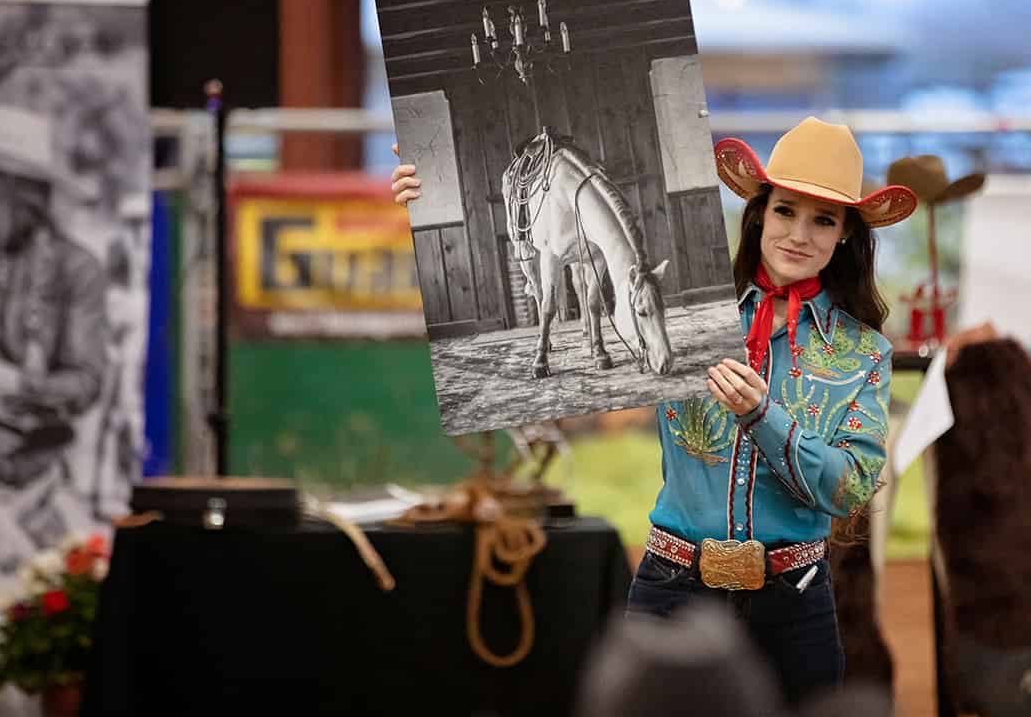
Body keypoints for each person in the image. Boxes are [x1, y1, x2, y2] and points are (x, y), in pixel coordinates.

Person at [392, 116, 917, 705]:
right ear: (759, 215)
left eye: (824, 219)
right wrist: (423, 204)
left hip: (796, 602)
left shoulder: (861, 353)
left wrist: (763, 415)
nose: (800, 234)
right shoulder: (686, 316)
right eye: (785, 211)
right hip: (672, 589)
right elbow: (544, 402)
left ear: (845, 233)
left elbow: (851, 489)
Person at [0, 106, 109, 569]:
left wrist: (17, 385)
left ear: (24, 196)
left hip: (31, 475)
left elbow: (85, 380)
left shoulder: (74, 269)